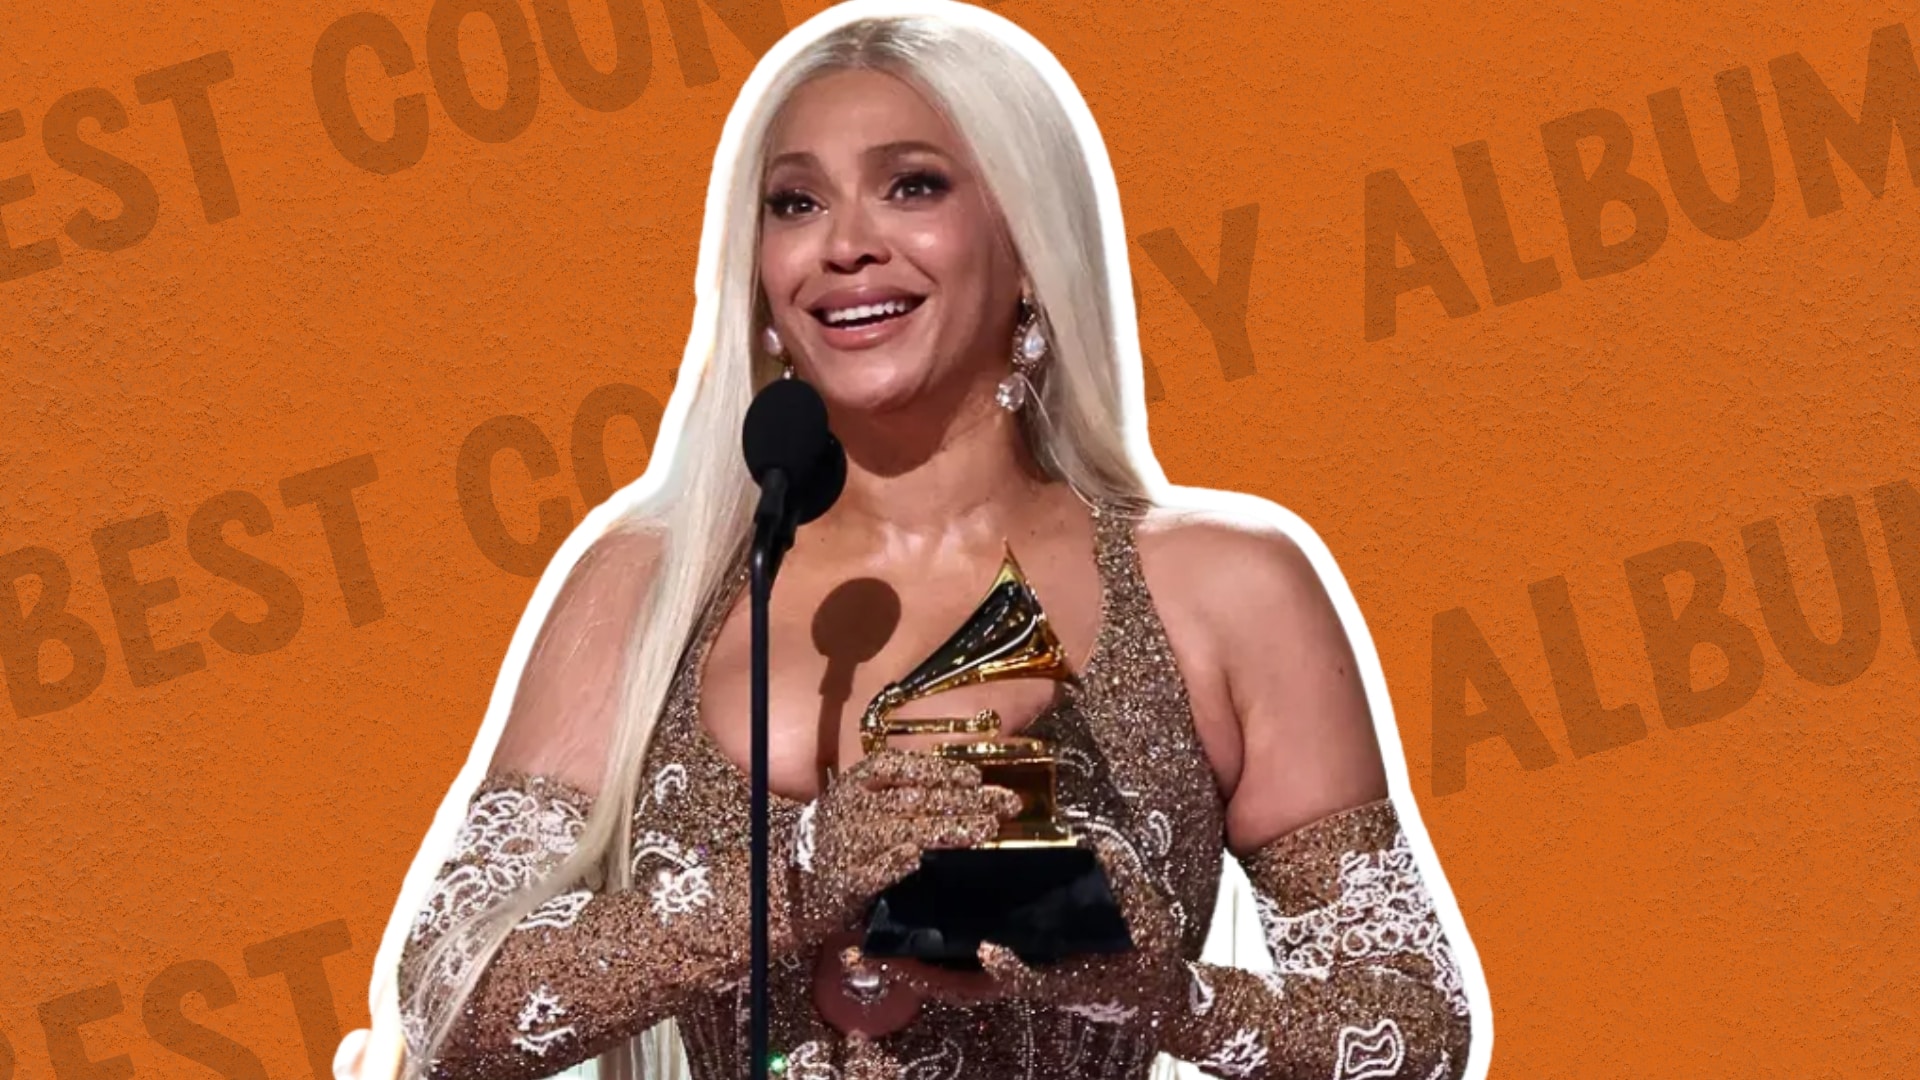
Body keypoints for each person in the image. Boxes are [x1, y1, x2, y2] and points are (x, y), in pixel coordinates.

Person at [369, 2, 1485, 1079]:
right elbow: (453, 1005)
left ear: (1031, 243)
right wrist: (790, 883)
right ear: (759, 281)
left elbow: (1408, 1032)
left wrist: (1147, 989)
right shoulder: (651, 584)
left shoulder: (1222, 588)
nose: (846, 245)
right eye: (794, 203)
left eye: (914, 186)